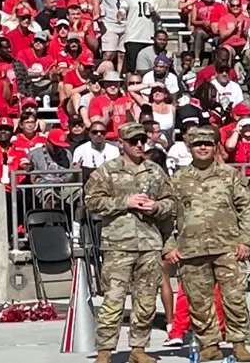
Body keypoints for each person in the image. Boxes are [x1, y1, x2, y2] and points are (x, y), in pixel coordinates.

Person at [84, 122, 175, 363]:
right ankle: (105, 351)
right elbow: (91, 201)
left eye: (142, 141)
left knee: (145, 300)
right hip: (118, 244)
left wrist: (157, 207)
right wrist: (125, 201)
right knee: (113, 301)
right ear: (121, 143)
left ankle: (138, 348)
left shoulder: (155, 171)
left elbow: (171, 203)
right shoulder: (108, 171)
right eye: (133, 141)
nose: (138, 145)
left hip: (149, 244)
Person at [165, 126, 250, 362]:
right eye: (197, 144)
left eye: (207, 143)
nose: (202, 148)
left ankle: (239, 343)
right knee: (199, 301)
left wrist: (246, 240)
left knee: (234, 298)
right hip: (191, 250)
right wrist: (169, 246)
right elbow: (166, 217)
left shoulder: (230, 175)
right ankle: (209, 343)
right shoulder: (179, 179)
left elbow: (246, 208)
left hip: (228, 248)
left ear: (215, 146)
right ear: (190, 148)